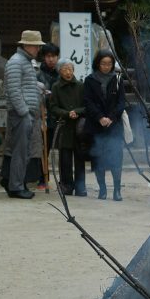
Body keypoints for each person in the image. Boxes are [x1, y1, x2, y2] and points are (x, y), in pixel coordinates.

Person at [3, 30, 45, 199]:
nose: (38, 49)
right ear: (27, 45)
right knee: (20, 152)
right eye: (36, 46)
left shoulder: (24, 61)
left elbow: (24, 86)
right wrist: (24, 112)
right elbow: (13, 90)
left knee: (23, 151)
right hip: (21, 114)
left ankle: (17, 184)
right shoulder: (17, 62)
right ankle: (16, 186)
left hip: (26, 113)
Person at [82, 50, 126, 201]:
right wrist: (100, 117)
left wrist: (111, 118)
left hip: (114, 126)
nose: (106, 67)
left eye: (109, 64)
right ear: (97, 63)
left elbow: (121, 103)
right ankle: (103, 190)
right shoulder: (90, 80)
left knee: (116, 158)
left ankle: (117, 190)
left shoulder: (118, 79)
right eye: (103, 64)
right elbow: (88, 102)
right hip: (96, 125)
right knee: (98, 158)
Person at [49, 59, 86, 196]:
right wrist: (66, 113)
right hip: (64, 127)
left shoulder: (81, 86)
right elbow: (53, 107)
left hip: (79, 127)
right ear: (59, 71)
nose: (68, 72)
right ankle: (66, 186)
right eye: (64, 69)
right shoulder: (56, 87)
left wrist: (77, 112)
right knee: (65, 159)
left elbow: (86, 106)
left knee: (80, 158)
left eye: (70, 69)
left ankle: (81, 187)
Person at [35, 42, 61, 190]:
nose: (51, 59)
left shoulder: (62, 73)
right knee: (44, 148)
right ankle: (42, 178)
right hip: (44, 116)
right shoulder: (38, 75)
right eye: (48, 56)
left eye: (54, 56)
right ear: (44, 57)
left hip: (59, 116)